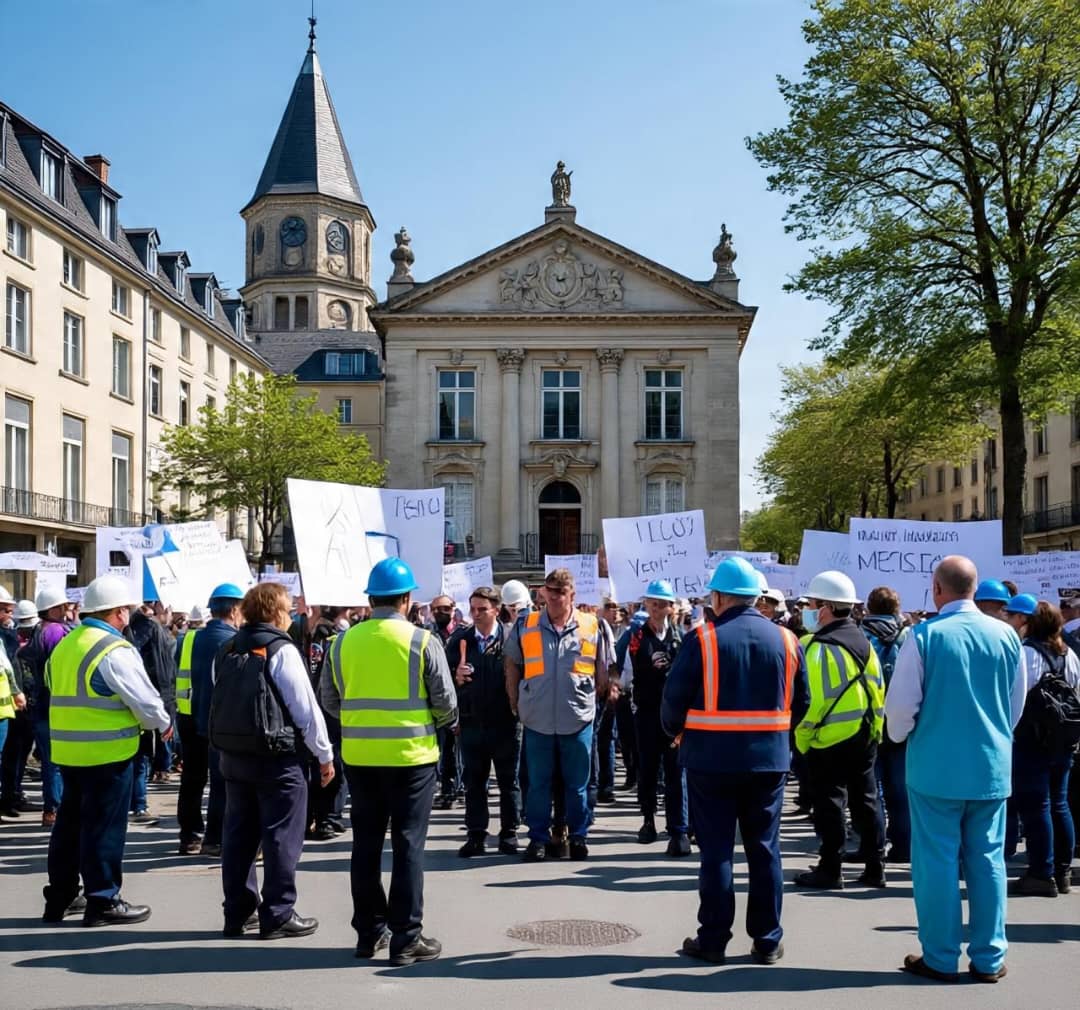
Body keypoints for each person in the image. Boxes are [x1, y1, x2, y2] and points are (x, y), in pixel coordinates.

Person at [885, 556, 1026, 983]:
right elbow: (1015, 704)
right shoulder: (1006, 636)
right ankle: (989, 958)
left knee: (936, 863)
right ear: (974, 588)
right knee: (988, 861)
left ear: (937, 589)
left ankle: (942, 956)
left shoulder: (924, 636)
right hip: (990, 766)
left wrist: (903, 736)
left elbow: (900, 709)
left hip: (935, 769)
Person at [662, 557, 809, 964]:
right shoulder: (786, 640)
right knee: (764, 850)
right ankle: (767, 940)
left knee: (717, 853)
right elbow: (803, 702)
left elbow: (673, 701)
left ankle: (713, 940)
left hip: (711, 761)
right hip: (768, 762)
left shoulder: (703, 639)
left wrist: (675, 732)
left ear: (722, 597)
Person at [321, 558, 457, 965]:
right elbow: (447, 703)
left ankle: (368, 933)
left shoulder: (342, 643)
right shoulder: (421, 640)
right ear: (407, 598)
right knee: (408, 846)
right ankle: (405, 938)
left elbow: (329, 699)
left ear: (370, 598)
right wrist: (434, 724)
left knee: (364, 846)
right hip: (412, 759)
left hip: (361, 758)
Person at [42, 574, 172, 926]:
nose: (128, 617)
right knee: (104, 829)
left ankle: (61, 896)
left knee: (68, 827)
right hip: (108, 754)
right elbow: (145, 700)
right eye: (126, 611)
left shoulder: (66, 646)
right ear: (116, 613)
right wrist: (162, 724)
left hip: (69, 752)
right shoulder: (113, 650)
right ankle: (102, 900)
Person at [211, 581, 333, 940]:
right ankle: (278, 912)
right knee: (281, 835)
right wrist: (324, 755)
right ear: (277, 612)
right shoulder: (281, 649)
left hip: (234, 755)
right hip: (277, 758)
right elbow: (305, 710)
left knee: (238, 836)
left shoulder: (228, 647)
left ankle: (237, 912)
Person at [504, 567, 612, 862]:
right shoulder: (527, 623)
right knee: (538, 784)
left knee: (577, 784)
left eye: (560, 592)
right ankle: (538, 839)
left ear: (572, 595)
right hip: (537, 717)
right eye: (549, 591)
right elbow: (512, 662)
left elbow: (604, 669)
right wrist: (514, 697)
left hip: (576, 717)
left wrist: (600, 696)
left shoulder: (592, 625)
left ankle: (578, 836)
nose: (553, 597)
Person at [793, 570, 887, 890]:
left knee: (830, 805)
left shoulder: (817, 648)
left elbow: (811, 703)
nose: (806, 608)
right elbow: (878, 690)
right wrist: (875, 729)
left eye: (811, 603)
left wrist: (802, 740)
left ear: (826, 608)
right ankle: (875, 867)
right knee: (867, 801)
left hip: (827, 739)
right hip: (865, 736)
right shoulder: (865, 643)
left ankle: (830, 869)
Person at [1009, 601, 1079, 896]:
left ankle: (1041, 872)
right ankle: (1062, 872)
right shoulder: (1070, 655)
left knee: (1037, 807)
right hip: (1063, 740)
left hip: (1031, 740)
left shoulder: (1026, 654)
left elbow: (1014, 697)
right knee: (1060, 804)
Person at [449, 586, 521, 857]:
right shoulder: (461, 640)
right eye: (473, 609)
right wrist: (457, 676)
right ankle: (476, 835)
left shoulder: (512, 638)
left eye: (483, 609)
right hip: (472, 721)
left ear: (496, 609)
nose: (477, 614)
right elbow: (445, 679)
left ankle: (509, 833)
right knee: (474, 781)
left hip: (505, 722)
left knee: (508, 780)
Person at [619, 579, 689, 855]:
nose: (658, 609)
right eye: (654, 603)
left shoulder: (681, 638)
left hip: (673, 717)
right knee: (647, 770)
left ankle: (679, 830)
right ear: (646, 604)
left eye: (663, 604)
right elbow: (621, 662)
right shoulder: (636, 637)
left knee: (676, 773)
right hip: (647, 714)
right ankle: (648, 820)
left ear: (672, 607)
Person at [176, 583, 245, 856]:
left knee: (191, 779)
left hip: (189, 717)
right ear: (235, 609)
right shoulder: (235, 641)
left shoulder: (188, 638)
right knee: (221, 781)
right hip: (219, 722)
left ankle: (189, 835)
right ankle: (214, 838)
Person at [862, 586, 912, 862]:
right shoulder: (909, 637)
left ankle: (876, 847)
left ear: (868, 608)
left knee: (873, 790)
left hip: (869, 721)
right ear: (896, 608)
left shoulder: (859, 635)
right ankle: (904, 847)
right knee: (900, 790)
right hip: (902, 721)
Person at [125, 599, 178, 826]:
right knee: (140, 757)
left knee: (139, 757)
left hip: (148, 700)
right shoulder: (147, 630)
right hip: (147, 700)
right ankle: (138, 805)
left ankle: (137, 803)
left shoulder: (146, 630)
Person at [427, 593, 463, 810]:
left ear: (453, 609)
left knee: (457, 748)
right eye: (436, 609)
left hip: (460, 698)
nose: (441, 613)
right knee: (442, 747)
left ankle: (456, 787)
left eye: (445, 609)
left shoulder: (462, 634)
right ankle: (445, 787)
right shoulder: (427, 635)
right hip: (436, 700)